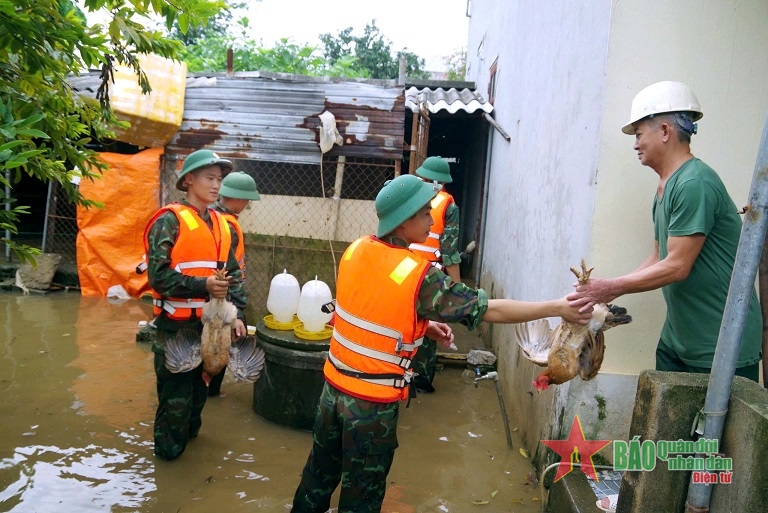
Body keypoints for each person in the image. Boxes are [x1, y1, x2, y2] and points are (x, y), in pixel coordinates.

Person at [290, 174, 591, 513]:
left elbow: (368, 308)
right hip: (370, 408)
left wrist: (422, 324)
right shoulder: (419, 274)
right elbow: (488, 309)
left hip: (332, 393)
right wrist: (557, 307)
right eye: (423, 213)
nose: (432, 220)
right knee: (361, 498)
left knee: (317, 479)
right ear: (404, 222)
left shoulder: (357, 249)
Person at [567, 81, 762, 381]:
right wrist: (604, 295)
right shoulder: (665, 186)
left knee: (709, 429)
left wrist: (613, 286)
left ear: (666, 132)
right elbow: (661, 256)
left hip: (717, 347)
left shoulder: (694, 183)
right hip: (678, 340)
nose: (635, 144)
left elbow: (678, 266)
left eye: (639, 134)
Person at [144, 149, 247, 460]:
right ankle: (167, 468)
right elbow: (157, 277)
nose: (216, 185)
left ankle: (186, 461)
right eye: (209, 178)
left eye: (219, 179)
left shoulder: (222, 224)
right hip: (175, 330)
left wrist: (238, 314)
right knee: (175, 403)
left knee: (199, 397)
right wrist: (202, 285)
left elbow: (233, 275)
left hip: (210, 329)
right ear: (189, 179)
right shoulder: (169, 221)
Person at [408, 156, 463, 393]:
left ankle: (401, 372)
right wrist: (458, 289)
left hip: (403, 269)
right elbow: (449, 252)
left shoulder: (409, 197)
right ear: (443, 183)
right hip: (428, 274)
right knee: (428, 325)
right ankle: (420, 381)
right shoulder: (448, 206)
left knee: (405, 318)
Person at [207, 171, 261, 397]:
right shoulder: (227, 226)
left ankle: (209, 389)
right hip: (225, 297)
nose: (248, 204)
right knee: (222, 347)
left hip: (217, 296)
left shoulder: (215, 219)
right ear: (238, 198)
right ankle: (212, 392)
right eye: (247, 199)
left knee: (215, 346)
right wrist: (236, 308)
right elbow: (226, 269)